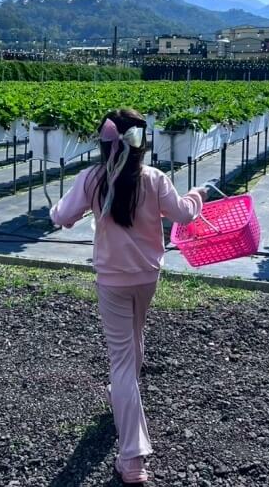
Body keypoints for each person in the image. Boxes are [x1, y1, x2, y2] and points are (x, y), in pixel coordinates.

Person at [50, 108, 206, 484]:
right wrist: (196, 196)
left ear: (104, 144)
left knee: (121, 360)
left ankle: (132, 457)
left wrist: (63, 213)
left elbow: (61, 215)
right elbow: (183, 215)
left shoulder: (93, 179)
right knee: (133, 338)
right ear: (140, 143)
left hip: (112, 280)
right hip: (147, 277)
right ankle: (124, 396)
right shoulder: (153, 179)